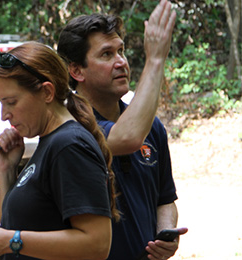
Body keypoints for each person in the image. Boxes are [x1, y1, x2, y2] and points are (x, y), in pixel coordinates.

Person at [0, 41, 120, 260]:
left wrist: (10, 241)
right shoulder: (50, 141)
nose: (3, 115)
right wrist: (7, 170)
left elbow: (97, 244)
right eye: (1, 103)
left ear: (46, 92)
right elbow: (11, 224)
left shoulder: (69, 146)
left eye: (11, 102)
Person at [56, 1, 189, 259]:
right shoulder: (70, 126)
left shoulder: (153, 127)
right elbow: (126, 137)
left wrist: (166, 234)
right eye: (106, 54)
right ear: (76, 70)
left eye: (122, 51)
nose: (121, 62)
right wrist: (156, 58)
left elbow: (165, 198)